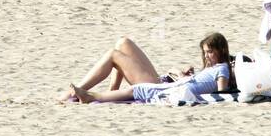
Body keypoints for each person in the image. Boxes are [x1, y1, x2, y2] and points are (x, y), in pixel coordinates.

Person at [65, 33, 234, 105]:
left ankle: (78, 95)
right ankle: (108, 93)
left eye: (210, 52)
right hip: (166, 82)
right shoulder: (211, 69)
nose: (206, 56)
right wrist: (182, 73)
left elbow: (221, 92)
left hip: (164, 86)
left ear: (222, 51)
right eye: (205, 53)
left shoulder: (222, 69)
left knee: (114, 56)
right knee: (122, 43)